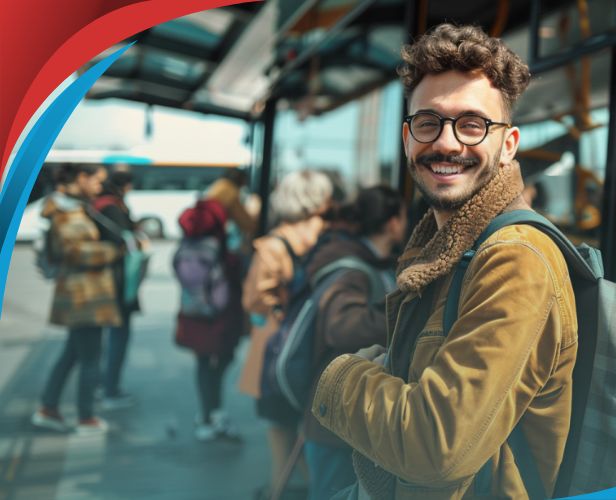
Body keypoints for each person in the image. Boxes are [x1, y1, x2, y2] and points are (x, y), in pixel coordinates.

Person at [311, 24, 578, 498]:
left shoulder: (515, 261)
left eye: (473, 124)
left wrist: (341, 378)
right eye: (429, 122)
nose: (448, 144)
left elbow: (435, 449)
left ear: (509, 144)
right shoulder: (442, 248)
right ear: (408, 136)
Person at [303, 186, 407, 500]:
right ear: (391, 223)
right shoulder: (353, 269)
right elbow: (342, 326)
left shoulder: (378, 263)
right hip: (336, 418)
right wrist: (404, 317)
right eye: (403, 216)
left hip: (352, 412)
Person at [239, 170, 333, 490]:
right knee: (310, 438)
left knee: (280, 439)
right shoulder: (329, 237)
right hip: (318, 344)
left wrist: (278, 308)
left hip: (278, 346)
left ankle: (277, 492)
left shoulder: (274, 244)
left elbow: (253, 299)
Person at [31, 164, 120, 436]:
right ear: (81, 178)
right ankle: (86, 417)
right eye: (96, 181)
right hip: (84, 296)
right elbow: (74, 251)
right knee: (91, 357)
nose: (99, 187)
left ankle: (49, 407)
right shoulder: (65, 211)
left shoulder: (73, 207)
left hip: (85, 293)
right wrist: (115, 250)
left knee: (72, 354)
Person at [174, 170, 254, 441]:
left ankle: (206, 414)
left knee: (203, 360)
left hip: (194, 310)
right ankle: (214, 414)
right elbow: (237, 270)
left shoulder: (191, 237)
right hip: (221, 313)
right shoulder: (223, 242)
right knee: (223, 357)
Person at [93, 169, 140, 410]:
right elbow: (122, 241)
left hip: (105, 281)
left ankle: (103, 385)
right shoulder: (112, 207)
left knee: (105, 338)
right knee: (118, 336)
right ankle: (109, 389)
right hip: (118, 281)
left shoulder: (100, 204)